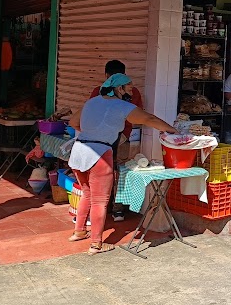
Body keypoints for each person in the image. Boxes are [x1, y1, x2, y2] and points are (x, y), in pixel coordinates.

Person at [67, 74, 177, 255]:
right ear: (119, 89)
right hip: (100, 153)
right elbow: (149, 119)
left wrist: (93, 133)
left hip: (79, 151)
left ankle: (79, 231)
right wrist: (173, 130)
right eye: (129, 88)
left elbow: (73, 122)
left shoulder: (92, 102)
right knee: (100, 201)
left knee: (86, 193)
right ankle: (96, 244)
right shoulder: (121, 105)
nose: (131, 92)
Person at [89, 59, 143, 222]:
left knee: (100, 172)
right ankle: (118, 210)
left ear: (106, 75)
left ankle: (98, 208)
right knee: (120, 171)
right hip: (123, 136)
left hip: (101, 138)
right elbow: (139, 115)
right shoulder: (134, 92)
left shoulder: (99, 91)